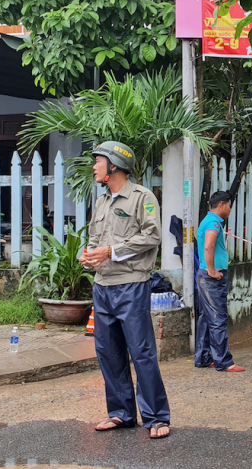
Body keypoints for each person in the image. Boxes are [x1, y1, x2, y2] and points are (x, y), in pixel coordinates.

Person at [79, 141, 171, 439]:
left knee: (141, 351)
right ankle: (120, 413)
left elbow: (152, 236)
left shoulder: (142, 198)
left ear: (114, 165)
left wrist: (111, 251)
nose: (94, 166)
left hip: (131, 286)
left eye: (98, 161)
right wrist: (89, 256)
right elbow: (95, 239)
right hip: (103, 287)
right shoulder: (103, 201)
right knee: (108, 352)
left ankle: (156, 417)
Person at [195, 191, 245, 373]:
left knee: (206, 318)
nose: (230, 210)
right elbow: (209, 245)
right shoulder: (214, 222)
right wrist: (212, 270)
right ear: (222, 204)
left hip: (205, 276)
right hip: (211, 278)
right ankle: (224, 361)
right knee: (218, 318)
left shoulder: (207, 220)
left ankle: (203, 357)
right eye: (230, 206)